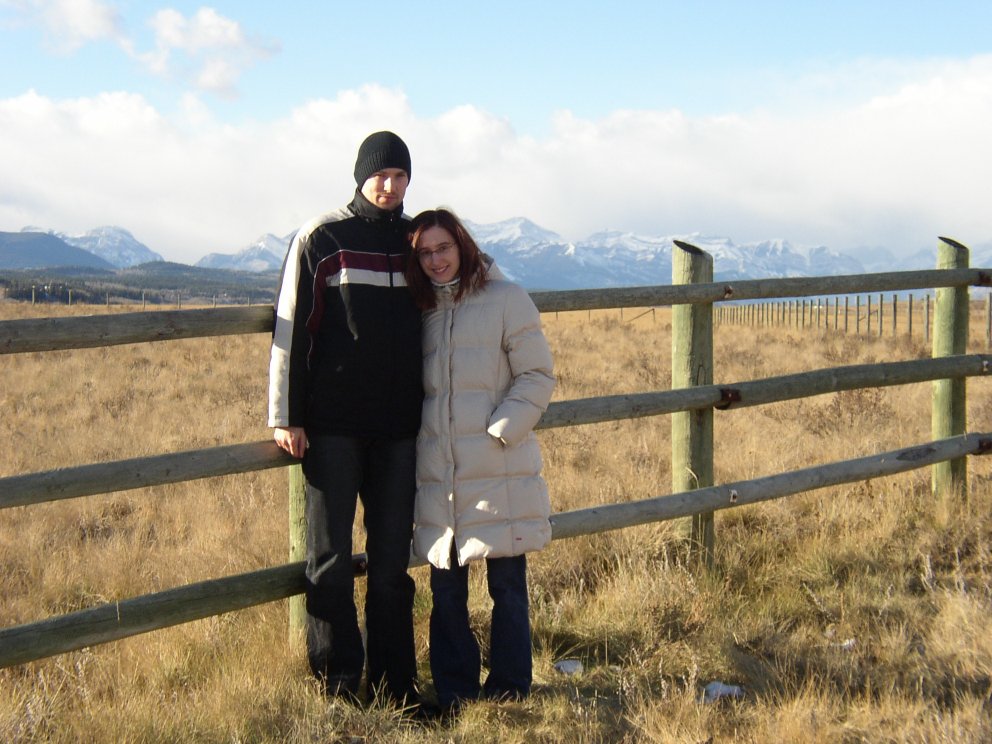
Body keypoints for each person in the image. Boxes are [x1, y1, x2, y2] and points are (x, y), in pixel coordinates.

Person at [268, 131, 426, 710]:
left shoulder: (417, 241)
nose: (390, 185)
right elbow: (293, 328)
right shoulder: (323, 237)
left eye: (400, 176)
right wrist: (286, 415)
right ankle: (337, 686)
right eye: (381, 174)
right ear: (361, 176)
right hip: (333, 427)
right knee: (331, 559)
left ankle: (395, 688)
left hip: (400, 431)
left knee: (391, 565)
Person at [405, 207, 555, 712]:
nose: (436, 260)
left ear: (462, 245)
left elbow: (537, 374)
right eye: (425, 253)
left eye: (443, 248)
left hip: (497, 468)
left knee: (506, 584)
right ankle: (456, 692)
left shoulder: (506, 299)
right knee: (446, 586)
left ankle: (510, 687)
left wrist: (502, 431)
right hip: (441, 472)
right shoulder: (422, 309)